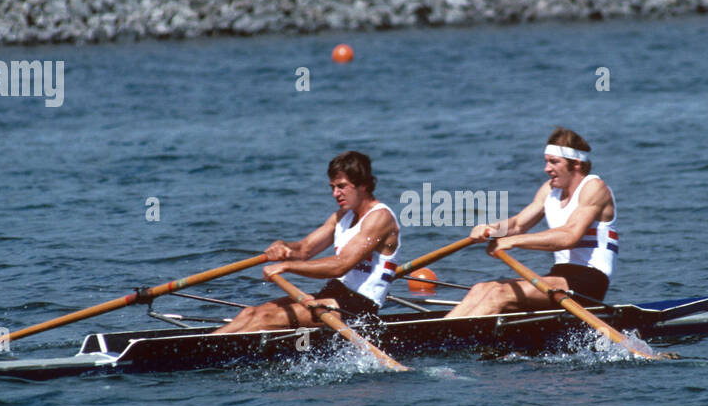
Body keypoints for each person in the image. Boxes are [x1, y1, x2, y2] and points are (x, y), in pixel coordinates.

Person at [214, 151, 401, 333]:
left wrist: (287, 266)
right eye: (332, 187)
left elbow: (340, 266)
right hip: (332, 296)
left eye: (342, 186)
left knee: (265, 320)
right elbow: (304, 249)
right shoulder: (342, 216)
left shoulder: (380, 218)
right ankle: (204, 344)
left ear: (363, 185)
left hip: (357, 308)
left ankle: (210, 353)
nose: (336, 194)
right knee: (251, 313)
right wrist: (283, 247)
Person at [444, 128, 617, 318]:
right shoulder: (550, 189)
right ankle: (438, 332)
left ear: (576, 164)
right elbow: (518, 224)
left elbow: (570, 236)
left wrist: (514, 241)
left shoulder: (594, 188)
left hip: (589, 281)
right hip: (560, 276)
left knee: (498, 294)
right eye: (546, 161)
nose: (546, 168)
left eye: (554, 162)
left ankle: (450, 341)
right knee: (482, 288)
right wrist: (492, 230)